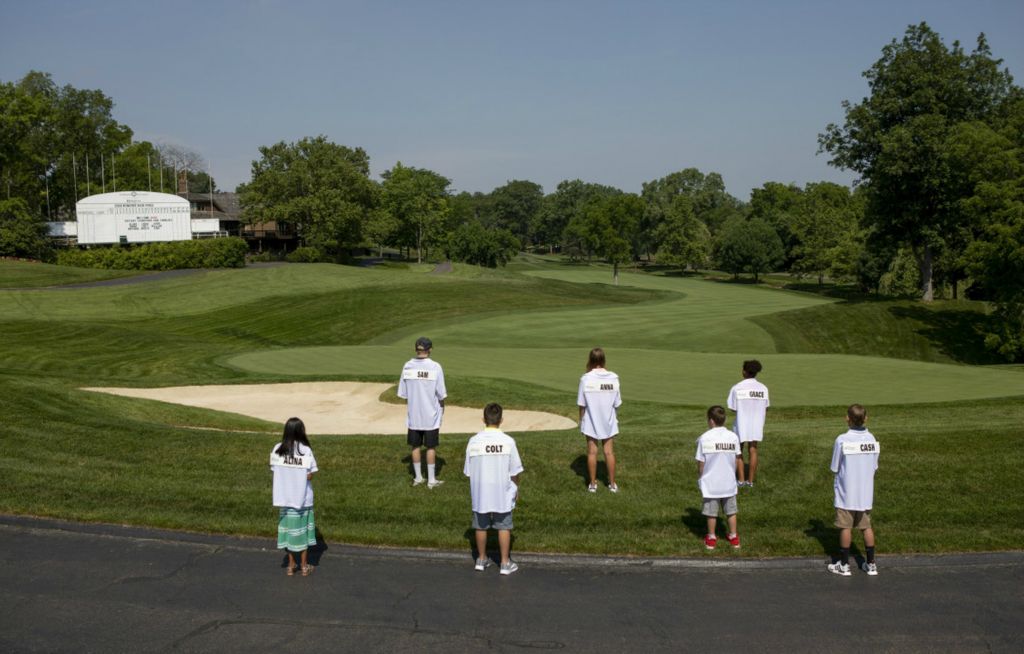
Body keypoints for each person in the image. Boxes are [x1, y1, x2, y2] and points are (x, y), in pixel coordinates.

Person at [464, 403, 523, 575]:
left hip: (480, 491)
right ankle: (505, 563)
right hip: (502, 490)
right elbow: (515, 471)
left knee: (481, 525)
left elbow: (468, 471)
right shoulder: (508, 441)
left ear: (484, 419)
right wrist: (516, 488)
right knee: (504, 524)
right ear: (501, 420)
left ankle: (481, 559)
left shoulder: (474, 441)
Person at [828, 404, 880, 576]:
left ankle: (844, 565)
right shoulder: (872, 439)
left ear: (847, 419)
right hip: (865, 493)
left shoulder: (842, 439)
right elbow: (874, 466)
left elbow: (835, 467)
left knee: (845, 527)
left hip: (846, 493)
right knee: (866, 527)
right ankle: (871, 563)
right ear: (866, 419)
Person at [270, 417, 318, 576]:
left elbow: (274, 469)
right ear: (301, 431)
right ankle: (304, 567)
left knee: (290, 532)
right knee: (303, 532)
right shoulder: (305, 450)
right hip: (303, 499)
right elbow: (310, 475)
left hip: (285, 498)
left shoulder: (277, 448)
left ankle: (291, 566)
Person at [397, 336, 447, 488]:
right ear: (429, 349)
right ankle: (431, 480)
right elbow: (441, 394)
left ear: (416, 349)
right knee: (431, 447)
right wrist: (443, 408)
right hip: (430, 415)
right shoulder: (435, 367)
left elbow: (403, 394)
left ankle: (418, 478)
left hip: (414, 415)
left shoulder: (407, 366)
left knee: (415, 446)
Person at [696, 405, 742, 550]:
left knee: (711, 512)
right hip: (728, 481)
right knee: (731, 511)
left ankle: (711, 537)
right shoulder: (733, 437)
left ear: (711, 421)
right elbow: (736, 459)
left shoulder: (704, 438)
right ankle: (734, 537)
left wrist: (700, 477)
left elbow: (701, 462)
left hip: (711, 482)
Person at [577, 347, 622, 493]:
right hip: (608, 420)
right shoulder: (614, 378)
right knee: (609, 452)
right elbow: (617, 403)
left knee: (592, 452)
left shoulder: (585, 379)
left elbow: (581, 404)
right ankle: (613, 484)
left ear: (590, 360)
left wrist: (581, 421)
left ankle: (592, 484)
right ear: (603, 360)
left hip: (591, 420)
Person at [727, 359, 769, 487]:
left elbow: (732, 407)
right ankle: (750, 481)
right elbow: (766, 406)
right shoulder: (763, 388)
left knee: (738, 450)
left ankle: (740, 480)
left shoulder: (737, 387)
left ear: (744, 371)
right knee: (753, 449)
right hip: (756, 423)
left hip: (741, 422)